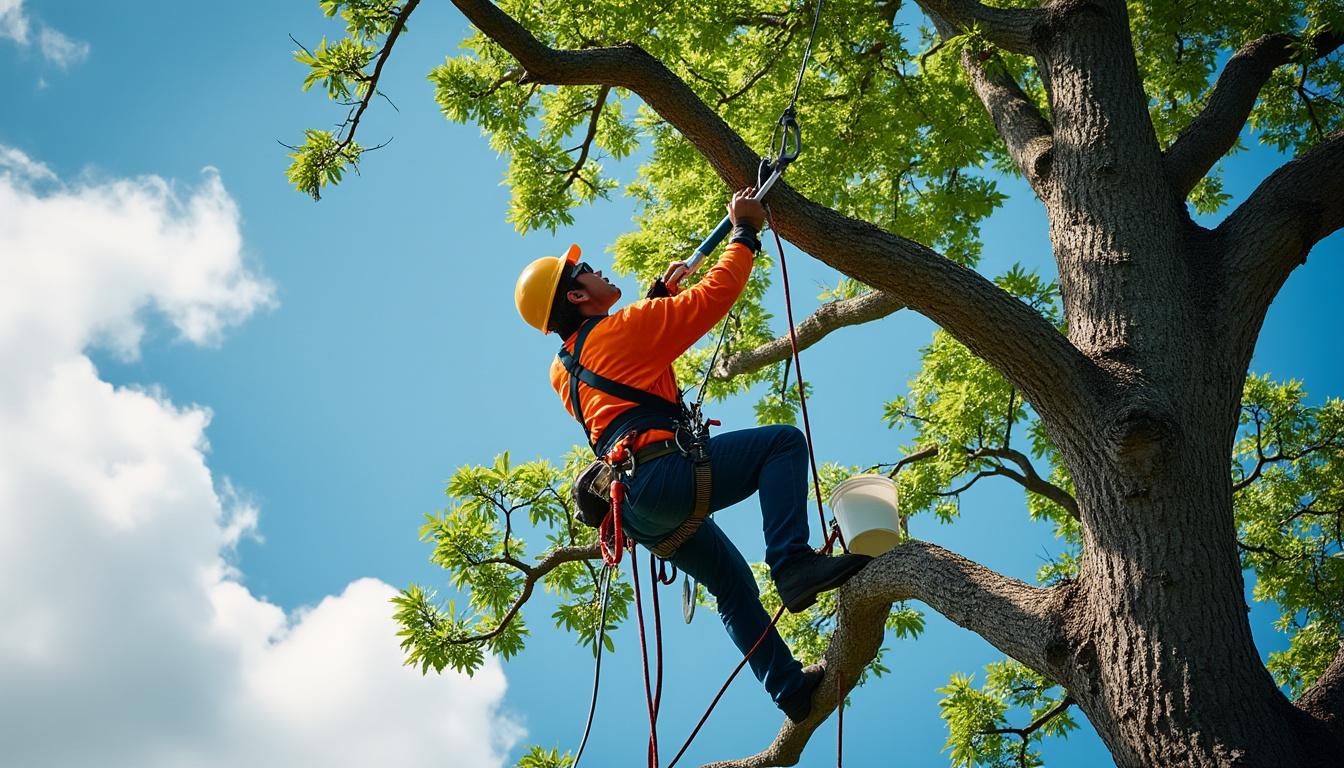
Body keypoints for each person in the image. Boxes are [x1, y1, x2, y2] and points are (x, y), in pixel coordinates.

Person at [513, 188, 871, 722]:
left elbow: (629, 376)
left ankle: (791, 691)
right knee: (782, 444)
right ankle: (792, 564)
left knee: (731, 585)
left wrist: (654, 302)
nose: (597, 270)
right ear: (576, 298)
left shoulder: (561, 369)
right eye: (584, 270)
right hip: (663, 475)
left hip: (637, 507)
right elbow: (711, 300)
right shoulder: (625, 329)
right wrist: (746, 233)